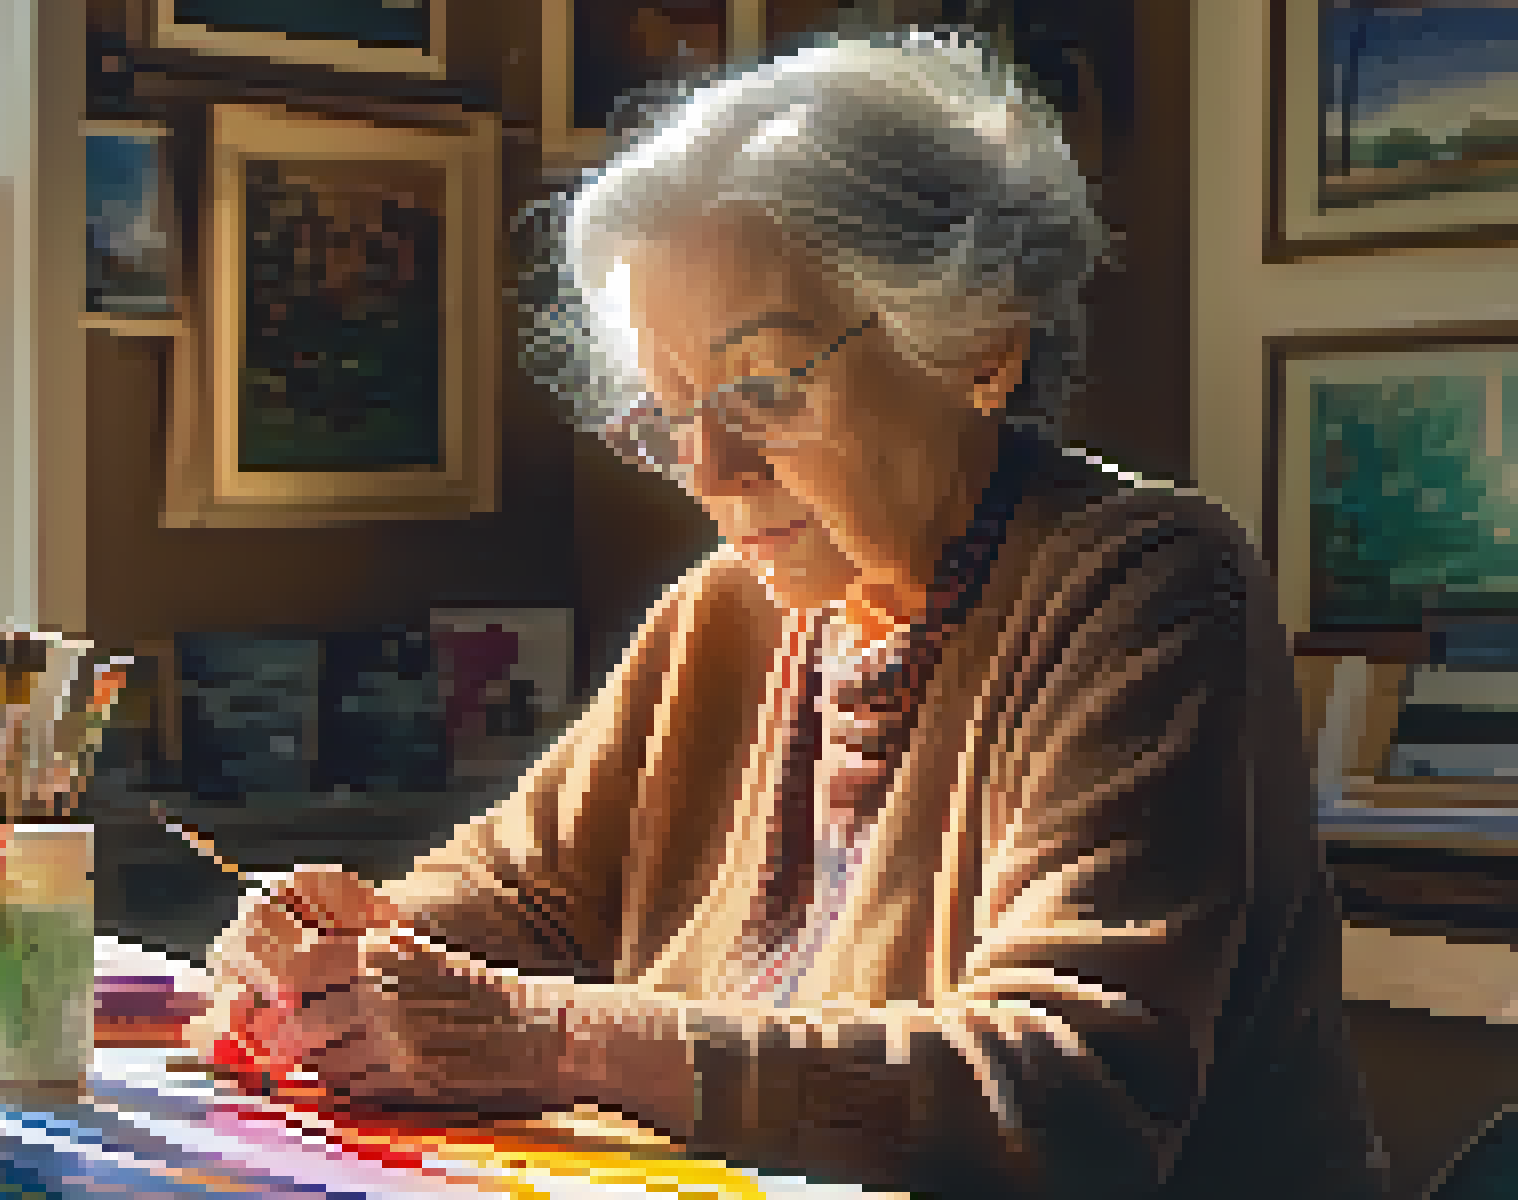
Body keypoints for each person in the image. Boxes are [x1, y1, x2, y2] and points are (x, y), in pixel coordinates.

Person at [184, 29, 1391, 1200]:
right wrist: (342, 956)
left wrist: (541, 1035)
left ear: (980, 347)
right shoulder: (729, 613)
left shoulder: (1144, 586)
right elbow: (519, 898)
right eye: (669, 409)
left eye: (764, 386)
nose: (709, 466)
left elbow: (1064, 1096)